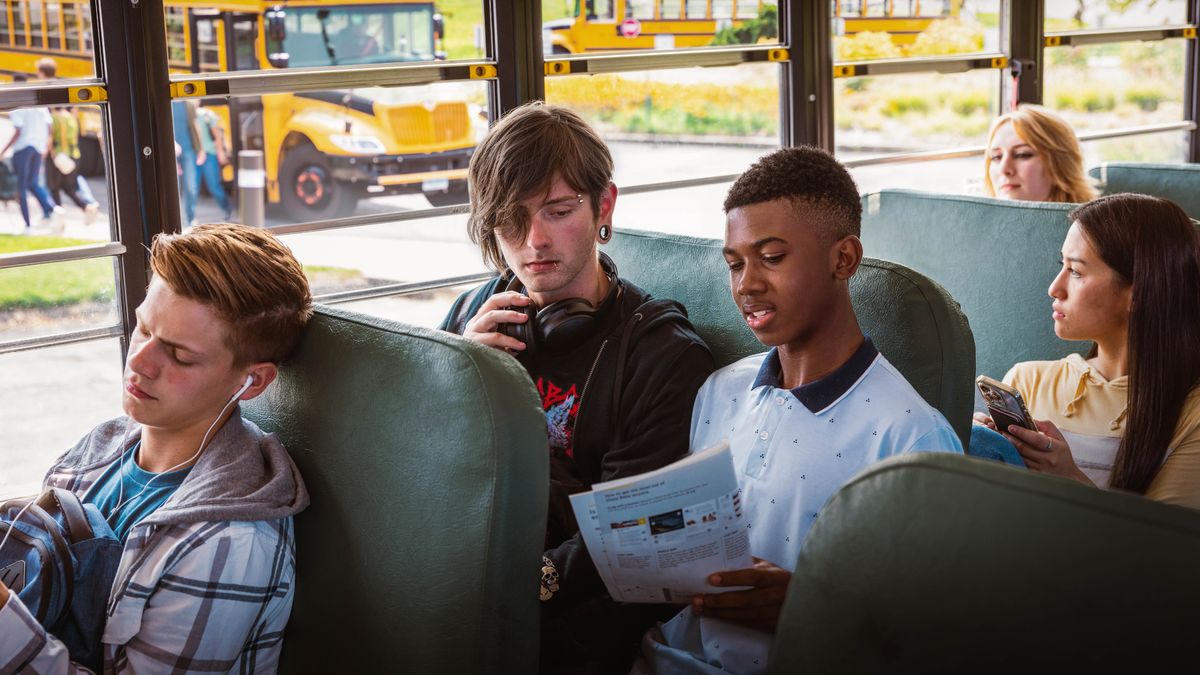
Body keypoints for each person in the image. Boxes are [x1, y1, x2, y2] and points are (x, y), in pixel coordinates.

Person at [638, 147, 964, 675]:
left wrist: (807, 609)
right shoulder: (720, 390)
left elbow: (935, 635)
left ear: (844, 259)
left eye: (772, 257)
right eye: (735, 263)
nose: (747, 284)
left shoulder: (912, 438)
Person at [438, 101, 714, 672]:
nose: (535, 240)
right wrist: (461, 384)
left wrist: (510, 593)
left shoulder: (662, 354)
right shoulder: (473, 317)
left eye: (558, 211)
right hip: (470, 574)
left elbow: (627, 540)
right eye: (513, 219)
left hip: (584, 610)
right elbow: (423, 476)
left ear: (603, 205)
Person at [0, 223, 313, 672]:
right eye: (143, 329)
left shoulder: (228, 538)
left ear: (252, 382)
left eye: (180, 356)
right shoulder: (100, 446)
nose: (140, 362)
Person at [973, 193, 1200, 509]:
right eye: (1061, 265)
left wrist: (1071, 480)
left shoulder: (1192, 415)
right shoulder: (1027, 380)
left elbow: (1161, 552)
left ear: (1138, 294)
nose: (1055, 288)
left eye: (1076, 271)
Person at [983, 104, 1097, 204]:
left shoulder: (1087, 227)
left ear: (1060, 163)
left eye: (1022, 154)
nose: (1004, 169)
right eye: (996, 157)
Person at [38, 57, 101, 225]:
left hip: (58, 154)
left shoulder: (54, 117)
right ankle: (86, 206)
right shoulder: (71, 118)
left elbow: (51, 135)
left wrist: (47, 152)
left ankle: (59, 218)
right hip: (73, 153)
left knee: (53, 187)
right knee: (69, 187)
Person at [0, 74, 63, 232]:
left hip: (23, 148)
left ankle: (27, 225)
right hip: (38, 147)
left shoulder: (16, 103)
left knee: (21, 187)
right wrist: (46, 147)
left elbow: (18, 132)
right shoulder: (37, 102)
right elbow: (49, 127)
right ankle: (52, 209)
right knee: (33, 183)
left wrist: (3, 151)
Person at [194, 104, 234, 221]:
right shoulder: (187, 115)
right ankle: (190, 218)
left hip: (210, 154)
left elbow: (217, 135)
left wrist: (220, 152)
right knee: (192, 188)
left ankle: (227, 209)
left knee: (214, 186)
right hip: (194, 155)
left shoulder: (206, 114)